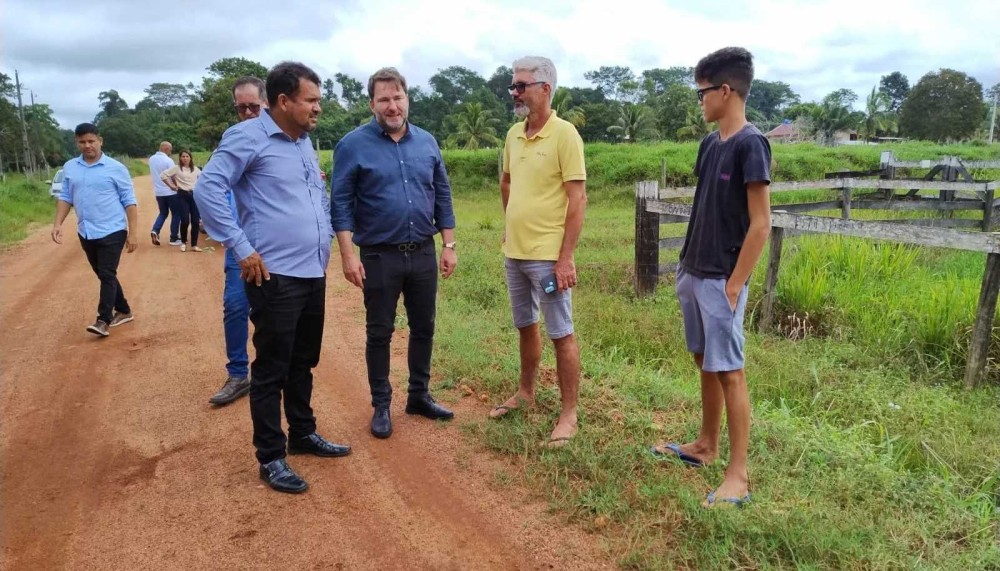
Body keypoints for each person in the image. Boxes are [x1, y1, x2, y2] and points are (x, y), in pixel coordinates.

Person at [195, 62, 349, 494]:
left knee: (303, 360)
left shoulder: (303, 141)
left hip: (311, 271)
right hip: (274, 275)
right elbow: (209, 189)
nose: (318, 108)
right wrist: (241, 247)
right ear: (284, 101)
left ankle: (302, 433)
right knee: (271, 369)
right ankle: (271, 456)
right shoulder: (247, 137)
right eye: (311, 100)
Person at [648, 47, 771, 509]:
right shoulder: (710, 144)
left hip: (722, 278)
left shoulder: (750, 143)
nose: (699, 101)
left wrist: (735, 284)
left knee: (730, 371)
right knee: (704, 360)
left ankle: (738, 475)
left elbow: (761, 223)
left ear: (726, 90)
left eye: (703, 92)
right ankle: (704, 444)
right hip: (693, 270)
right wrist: (685, 269)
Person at [331, 67, 457, 439]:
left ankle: (418, 395)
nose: (392, 105)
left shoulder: (427, 142)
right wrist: (347, 255)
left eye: (397, 97)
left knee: (424, 327)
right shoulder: (352, 145)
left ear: (407, 99)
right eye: (383, 99)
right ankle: (381, 404)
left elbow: (443, 194)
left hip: (422, 252)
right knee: (380, 331)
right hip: (378, 255)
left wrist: (448, 245)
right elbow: (340, 203)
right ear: (372, 104)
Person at [488, 57, 587, 449]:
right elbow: (507, 183)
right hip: (515, 253)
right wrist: (510, 224)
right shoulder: (514, 134)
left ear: (545, 88)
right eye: (513, 86)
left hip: (548, 258)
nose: (515, 92)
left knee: (561, 331)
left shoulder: (566, 135)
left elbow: (577, 199)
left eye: (522, 85)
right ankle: (526, 393)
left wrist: (565, 257)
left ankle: (568, 414)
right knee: (524, 325)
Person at [207, 76, 266, 407]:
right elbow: (213, 189)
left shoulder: (284, 139)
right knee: (235, 305)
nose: (246, 112)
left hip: (274, 243)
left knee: (274, 311)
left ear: (267, 104)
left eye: (253, 106)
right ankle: (238, 373)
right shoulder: (232, 143)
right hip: (240, 243)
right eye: (240, 107)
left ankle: (272, 370)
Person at [51, 123, 139, 337]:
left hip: (113, 229)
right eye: (82, 142)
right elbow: (66, 197)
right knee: (102, 273)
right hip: (86, 231)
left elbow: (130, 202)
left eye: (91, 141)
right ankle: (124, 309)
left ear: (100, 141)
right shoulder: (70, 167)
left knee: (107, 273)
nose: (87, 145)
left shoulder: (116, 168)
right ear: (76, 142)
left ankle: (103, 320)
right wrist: (58, 223)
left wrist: (133, 232)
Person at [160, 150, 202, 252]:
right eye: (183, 156)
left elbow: (203, 179)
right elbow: (163, 175)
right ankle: (183, 242)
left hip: (194, 196)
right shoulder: (177, 168)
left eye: (187, 156)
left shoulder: (195, 169)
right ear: (180, 158)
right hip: (182, 195)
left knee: (195, 221)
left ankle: (194, 245)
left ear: (190, 158)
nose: (185, 158)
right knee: (185, 220)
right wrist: (172, 186)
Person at [149, 141, 179, 246]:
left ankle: (155, 230)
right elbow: (173, 175)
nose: (171, 152)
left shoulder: (151, 159)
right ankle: (174, 238)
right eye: (170, 150)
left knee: (163, 213)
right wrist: (177, 186)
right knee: (176, 213)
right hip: (170, 192)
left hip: (159, 192)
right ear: (166, 149)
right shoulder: (168, 160)